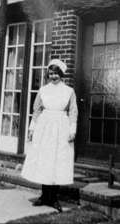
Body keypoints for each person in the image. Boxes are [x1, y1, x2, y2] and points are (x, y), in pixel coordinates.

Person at [21, 58, 78, 213]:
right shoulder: (43, 90)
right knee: (44, 160)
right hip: (44, 127)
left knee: (57, 161)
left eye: (56, 74)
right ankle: (44, 196)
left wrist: (72, 130)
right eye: (51, 74)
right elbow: (37, 110)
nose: (53, 77)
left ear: (62, 74)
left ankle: (53, 198)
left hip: (61, 127)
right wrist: (32, 129)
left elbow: (73, 112)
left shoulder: (69, 91)